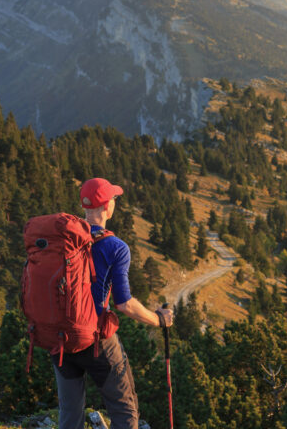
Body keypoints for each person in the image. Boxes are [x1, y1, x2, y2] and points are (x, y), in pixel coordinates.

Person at [53, 177, 174, 429]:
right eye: (114, 199)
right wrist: (158, 319)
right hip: (95, 339)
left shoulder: (62, 240)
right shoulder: (115, 247)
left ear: (85, 205)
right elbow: (124, 304)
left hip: (60, 338)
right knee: (124, 409)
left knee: (70, 413)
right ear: (108, 206)